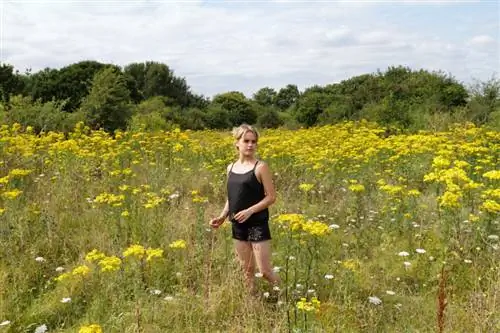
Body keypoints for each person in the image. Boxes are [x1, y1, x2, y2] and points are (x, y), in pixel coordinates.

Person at [209, 124, 281, 295]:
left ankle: (284, 296)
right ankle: (251, 304)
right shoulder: (230, 168)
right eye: (246, 141)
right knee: (246, 271)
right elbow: (232, 197)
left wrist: (250, 211)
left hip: (257, 224)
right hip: (238, 225)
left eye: (253, 141)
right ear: (237, 143)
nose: (250, 145)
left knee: (264, 271)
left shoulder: (261, 167)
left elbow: (271, 197)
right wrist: (222, 216)